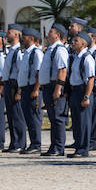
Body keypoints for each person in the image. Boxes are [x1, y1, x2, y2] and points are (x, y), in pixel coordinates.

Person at [43, 23, 70, 156]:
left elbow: (62, 70)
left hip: (55, 86)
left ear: (57, 35)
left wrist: (58, 89)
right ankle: (54, 145)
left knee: (58, 118)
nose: (48, 33)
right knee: (53, 118)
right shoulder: (50, 49)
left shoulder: (59, 50)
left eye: (51, 31)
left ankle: (59, 147)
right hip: (48, 86)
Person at [68, 30, 96, 157]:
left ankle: (83, 149)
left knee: (83, 121)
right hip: (74, 91)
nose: (73, 43)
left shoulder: (87, 58)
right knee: (76, 121)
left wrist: (86, 96)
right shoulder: (76, 57)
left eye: (76, 41)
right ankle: (78, 146)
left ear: (83, 44)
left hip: (82, 91)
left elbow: (91, 78)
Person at [17, 29, 43, 155]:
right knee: (28, 117)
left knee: (34, 117)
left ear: (31, 38)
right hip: (25, 88)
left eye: (24, 37)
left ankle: (36, 144)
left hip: (32, 88)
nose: (22, 39)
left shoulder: (36, 53)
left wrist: (36, 89)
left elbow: (39, 72)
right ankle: (32, 143)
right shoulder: (26, 53)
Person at [2, 25, 25, 153]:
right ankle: (13, 142)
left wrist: (19, 91)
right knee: (11, 116)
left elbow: (21, 72)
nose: (7, 34)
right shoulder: (10, 51)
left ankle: (20, 143)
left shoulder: (18, 52)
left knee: (17, 116)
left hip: (15, 85)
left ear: (16, 35)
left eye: (9, 32)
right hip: (8, 84)